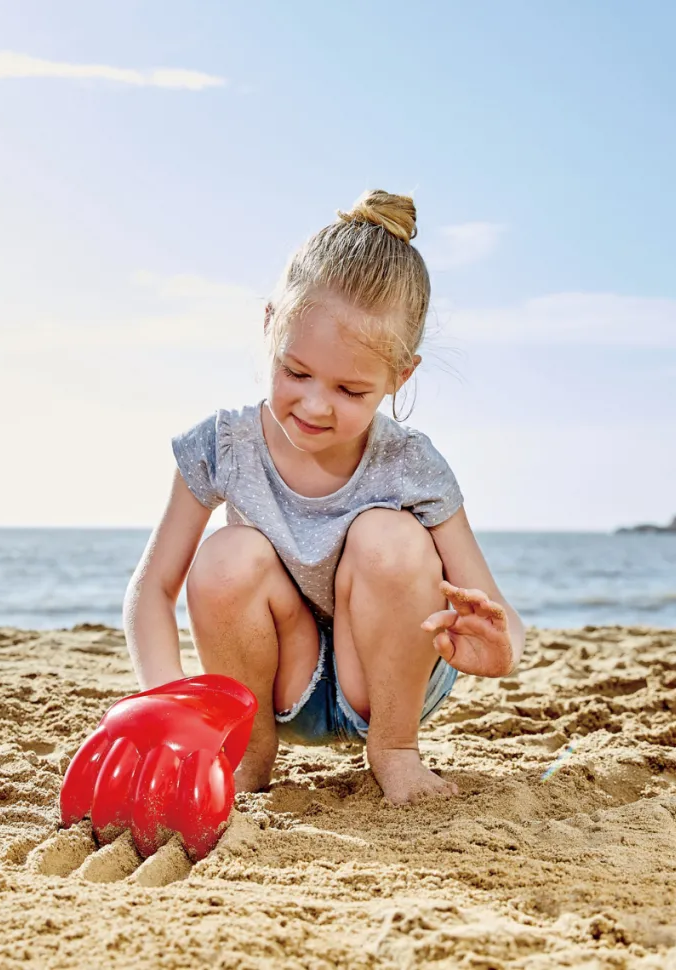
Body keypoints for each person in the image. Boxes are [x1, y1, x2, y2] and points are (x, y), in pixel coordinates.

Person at [123, 189, 526, 805]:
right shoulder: (223, 446)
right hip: (284, 679)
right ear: (268, 328)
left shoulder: (411, 464)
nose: (314, 405)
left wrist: (503, 651)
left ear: (400, 378)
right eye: (297, 372)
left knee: (387, 537)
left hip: (390, 680)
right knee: (225, 555)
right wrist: (167, 699)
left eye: (350, 389)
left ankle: (394, 754)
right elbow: (152, 589)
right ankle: (249, 754)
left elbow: (494, 609)